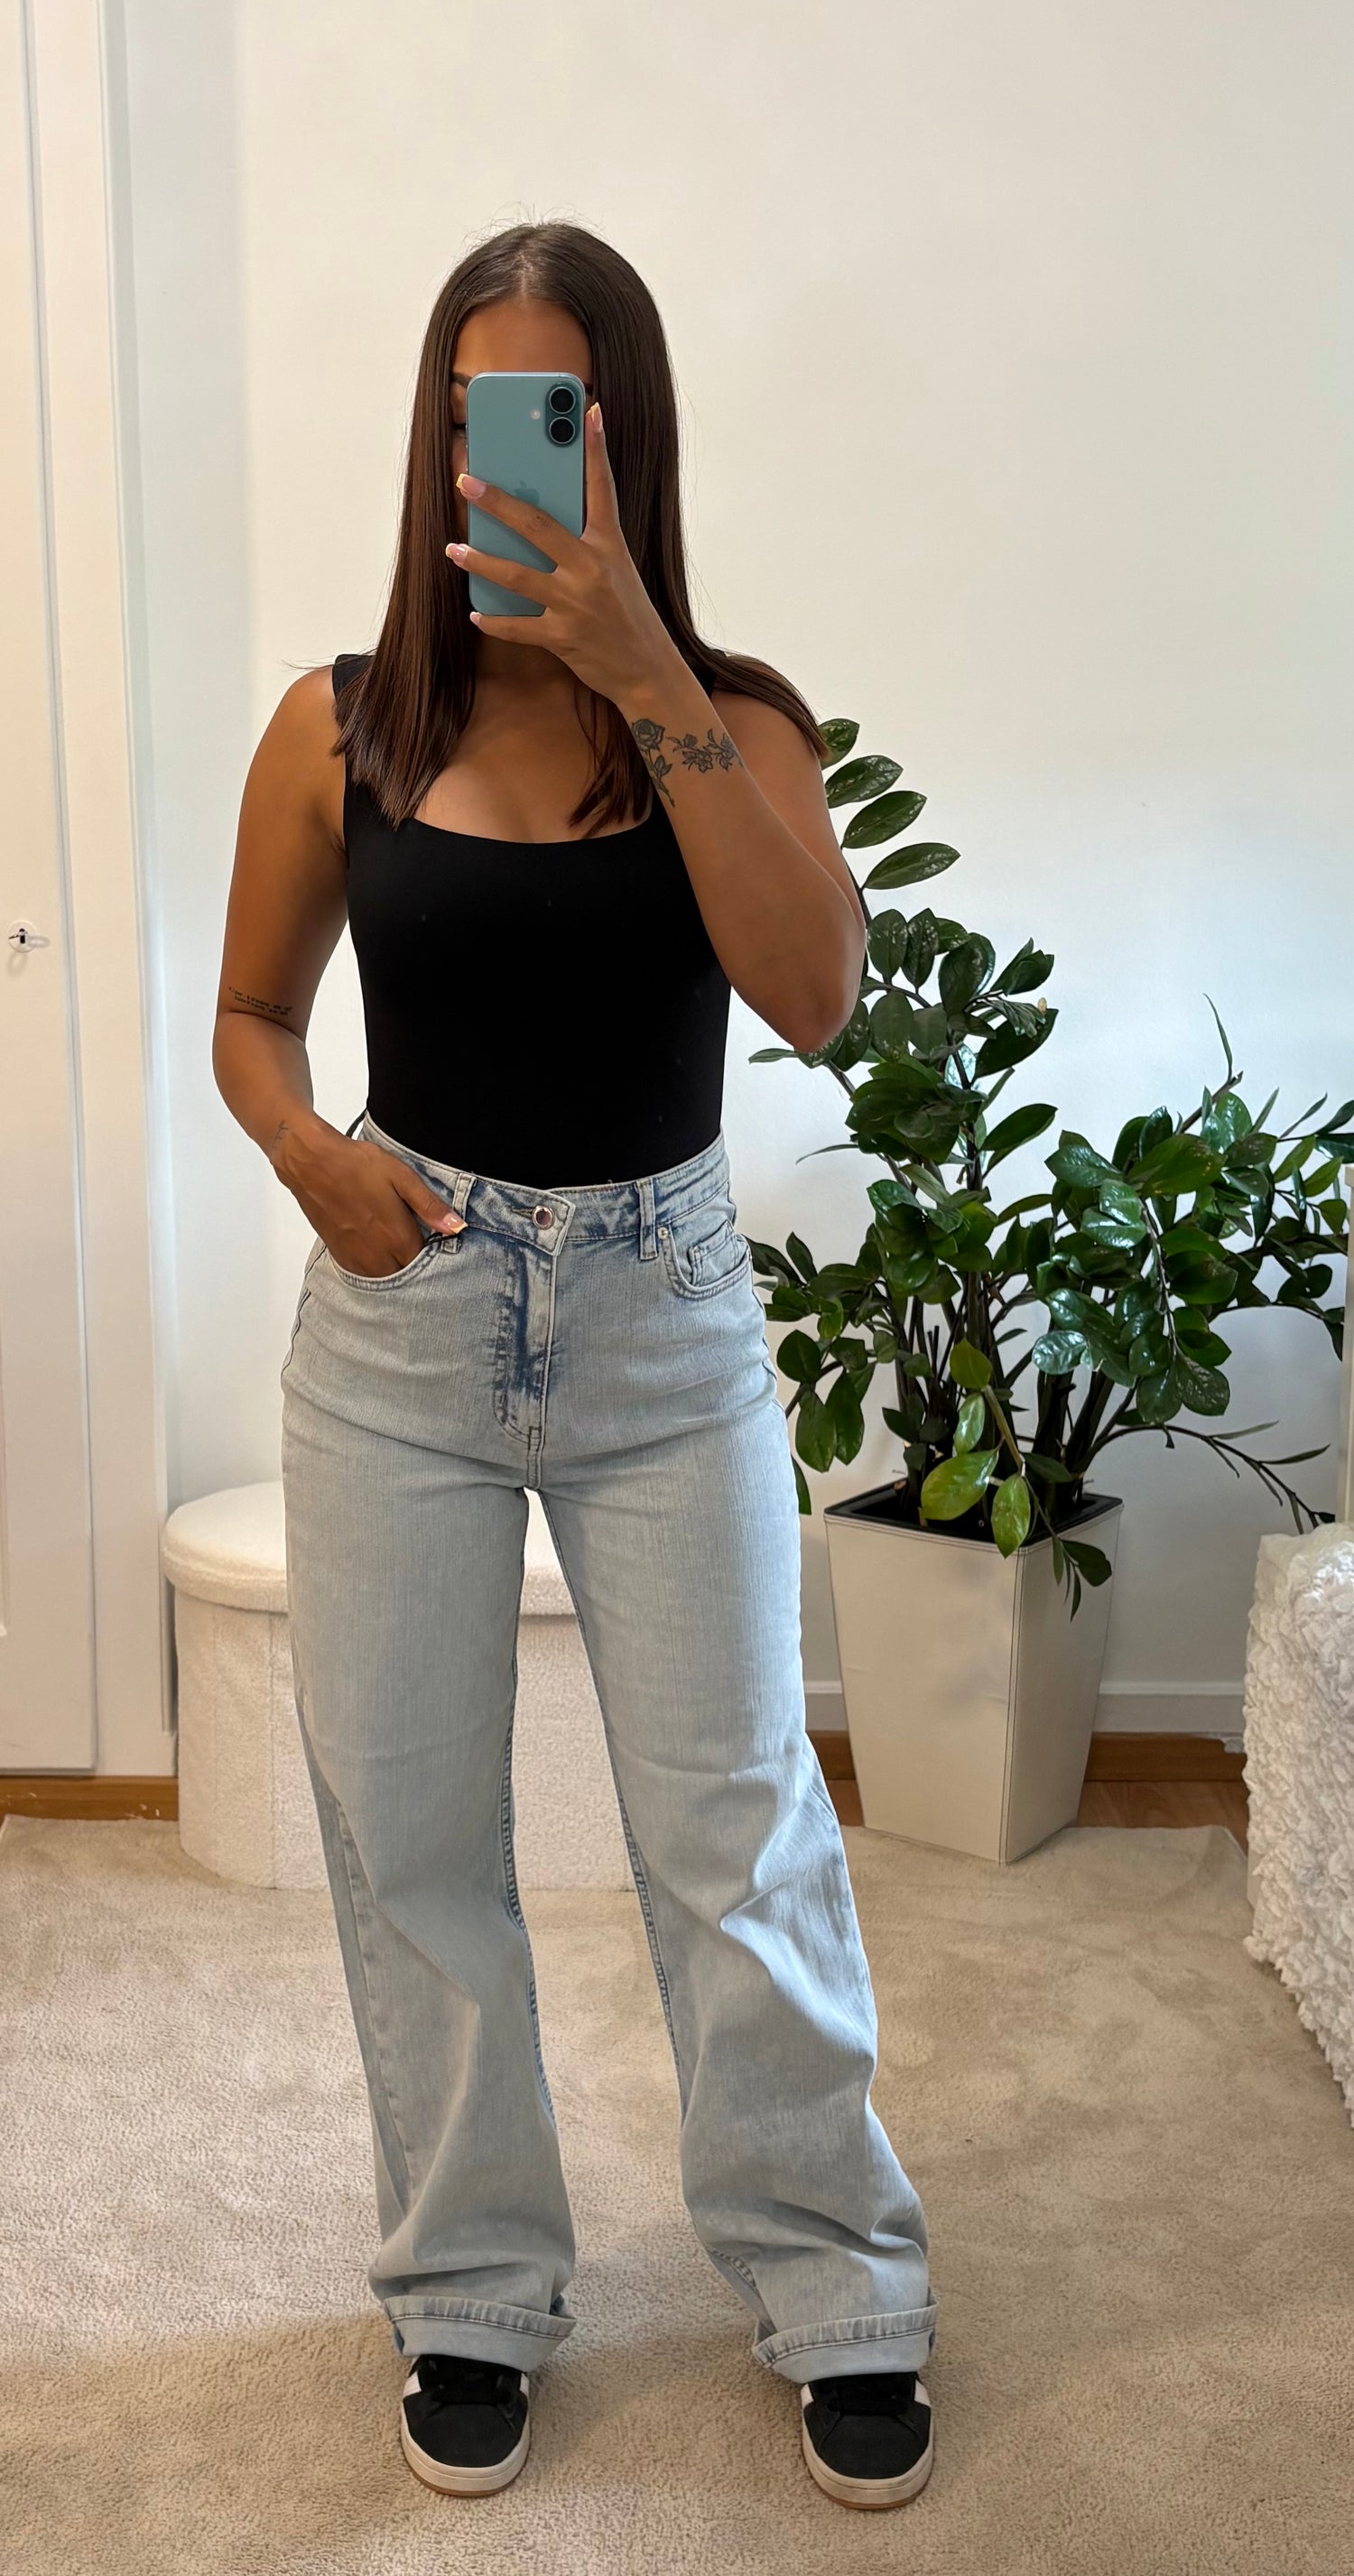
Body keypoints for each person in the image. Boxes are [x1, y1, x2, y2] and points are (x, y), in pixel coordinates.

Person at [213, 219, 937, 2513]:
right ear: (437, 438)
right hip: (403, 1322)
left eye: (553, 414)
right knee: (412, 1835)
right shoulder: (342, 723)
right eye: (474, 413)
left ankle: (837, 2277)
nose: (504, 456)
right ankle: (471, 2279)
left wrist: (643, 667)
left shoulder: (740, 717)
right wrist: (311, 1154)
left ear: (625, 438)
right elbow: (247, 1018)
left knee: (738, 1829)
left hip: (667, 1323)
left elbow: (814, 993)